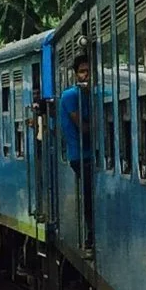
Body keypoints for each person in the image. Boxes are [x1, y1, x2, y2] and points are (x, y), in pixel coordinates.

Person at [58, 47, 96, 256]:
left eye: (89, 70)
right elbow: (83, 127)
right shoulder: (70, 96)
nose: (86, 75)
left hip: (94, 155)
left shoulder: (96, 93)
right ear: (76, 74)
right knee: (90, 195)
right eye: (82, 71)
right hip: (80, 156)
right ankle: (91, 237)